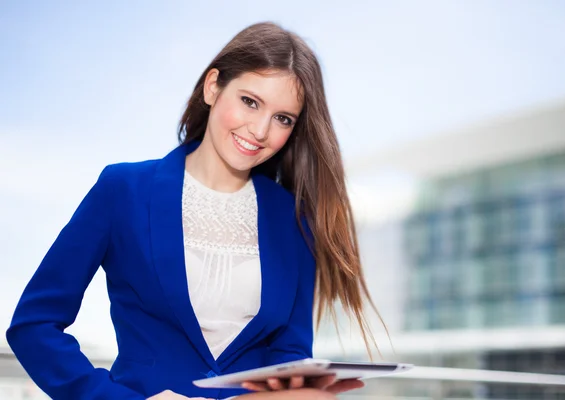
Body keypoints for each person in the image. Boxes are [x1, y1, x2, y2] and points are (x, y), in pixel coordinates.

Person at [6, 22, 382, 400]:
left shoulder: (295, 219)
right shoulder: (122, 191)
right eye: (250, 102)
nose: (260, 130)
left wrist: (304, 387)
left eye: (283, 118)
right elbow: (35, 326)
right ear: (213, 86)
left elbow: (289, 353)